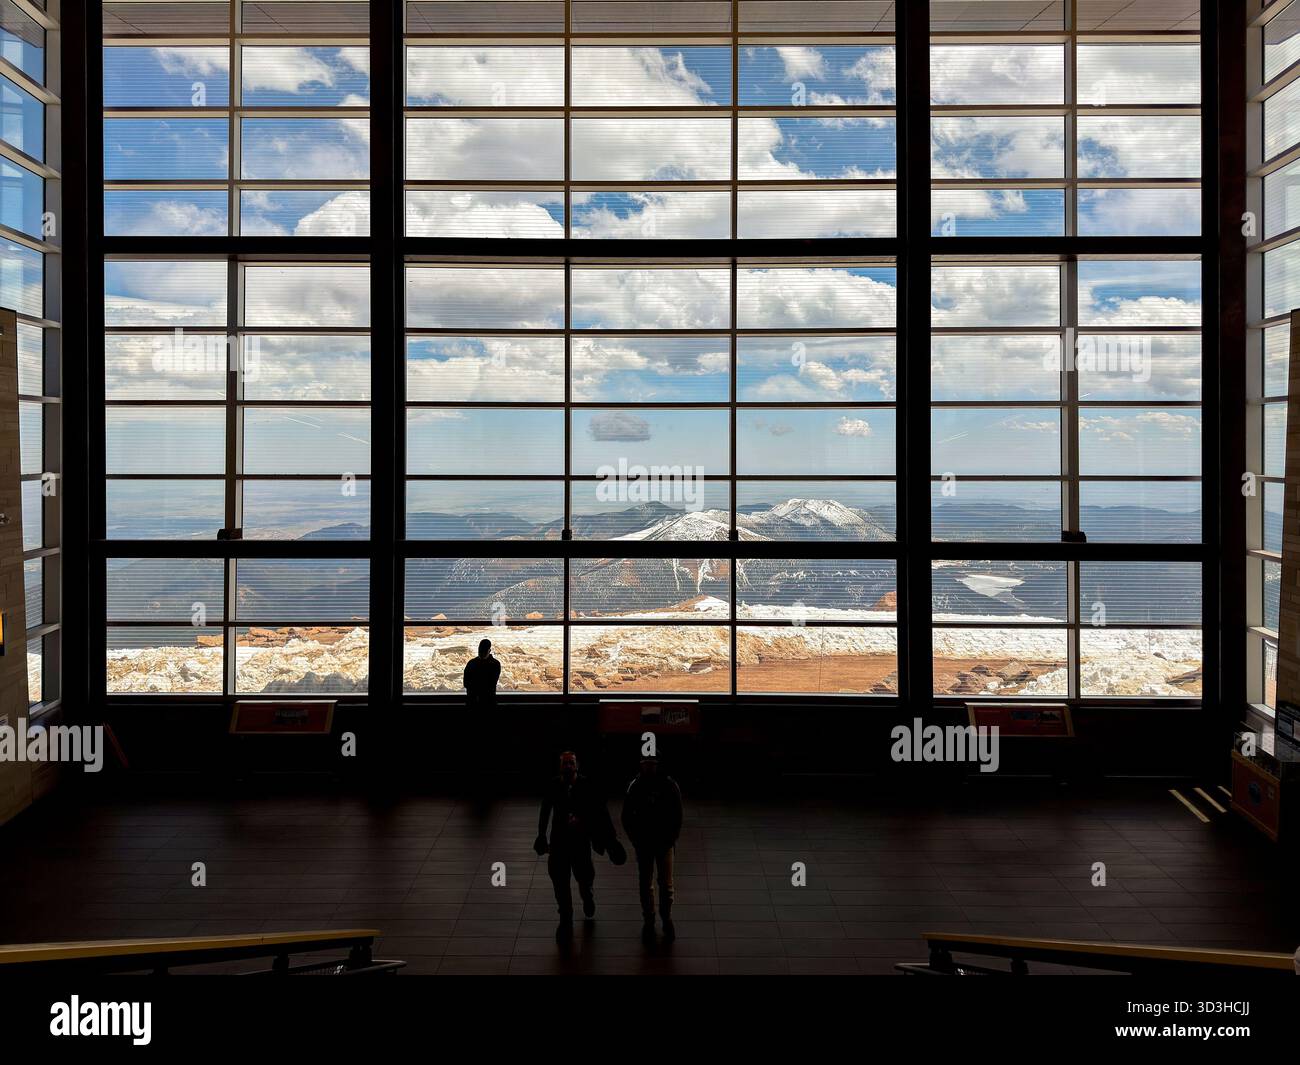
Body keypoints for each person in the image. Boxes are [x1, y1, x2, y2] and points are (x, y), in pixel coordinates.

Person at [535, 751, 615, 941]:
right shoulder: (554, 785)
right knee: (559, 881)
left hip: (580, 842)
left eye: (571, 763)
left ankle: (587, 896)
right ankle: (566, 917)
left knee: (585, 878)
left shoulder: (587, 786)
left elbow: (600, 812)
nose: (568, 766)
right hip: (559, 843)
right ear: (560, 767)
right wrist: (540, 835)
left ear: (577, 765)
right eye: (565, 763)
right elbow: (545, 811)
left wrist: (608, 838)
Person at [621, 754, 683, 943]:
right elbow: (677, 815)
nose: (648, 766)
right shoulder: (669, 784)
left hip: (649, 843)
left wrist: (635, 839)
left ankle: (651, 921)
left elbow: (626, 817)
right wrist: (671, 838)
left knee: (649, 883)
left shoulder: (636, 785)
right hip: (659, 843)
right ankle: (664, 919)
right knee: (664, 884)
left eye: (651, 763)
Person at [463, 638, 501, 707]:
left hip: (473, 701)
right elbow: (491, 683)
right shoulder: (495, 664)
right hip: (488, 701)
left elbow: (466, 683)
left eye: (482, 651)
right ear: (489, 650)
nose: (481, 653)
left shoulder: (471, 663)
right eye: (480, 650)